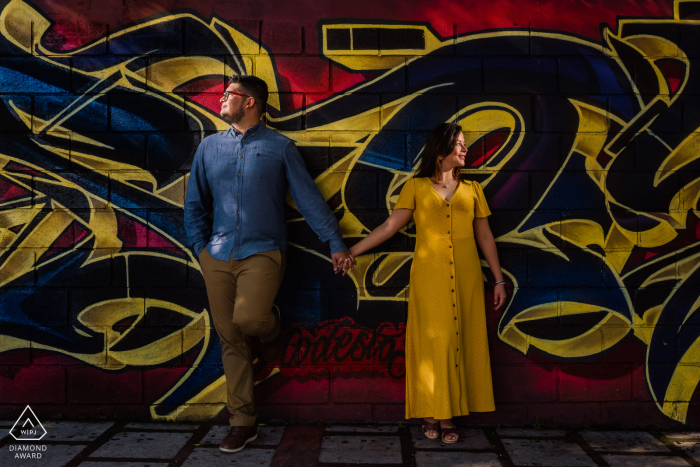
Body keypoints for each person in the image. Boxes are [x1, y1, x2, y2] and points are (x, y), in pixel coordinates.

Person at [184, 75, 354, 453]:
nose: (221, 99)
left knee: (249, 320)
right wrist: (200, 249)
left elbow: (308, 199)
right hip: (217, 254)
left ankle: (272, 333)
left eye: (229, 94)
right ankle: (242, 422)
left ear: (250, 103)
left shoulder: (280, 147)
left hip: (264, 252)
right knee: (230, 339)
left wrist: (336, 243)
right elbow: (194, 204)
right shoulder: (209, 148)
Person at [348, 122, 507, 443]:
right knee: (437, 341)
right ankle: (436, 413)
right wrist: (349, 251)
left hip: (467, 277)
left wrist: (498, 279)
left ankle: (440, 414)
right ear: (440, 150)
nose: (465, 149)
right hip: (429, 277)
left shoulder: (473, 190)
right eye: (459, 144)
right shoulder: (416, 187)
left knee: (463, 340)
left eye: (465, 144)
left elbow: (485, 235)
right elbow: (390, 227)